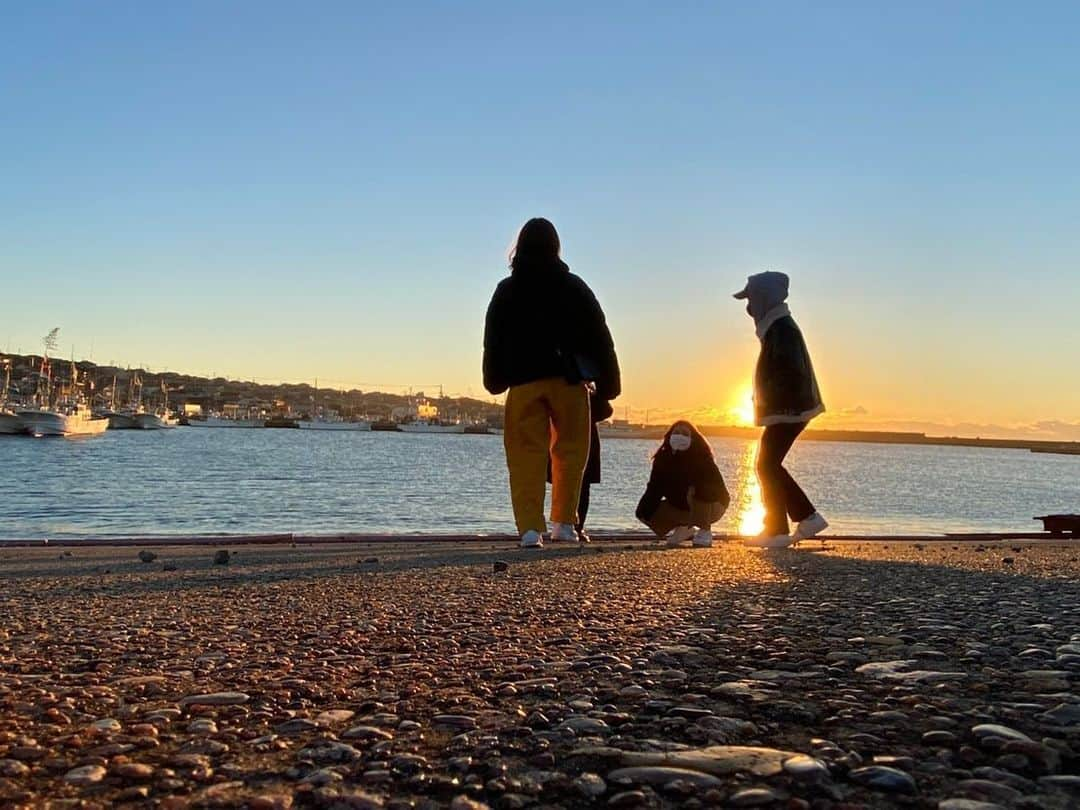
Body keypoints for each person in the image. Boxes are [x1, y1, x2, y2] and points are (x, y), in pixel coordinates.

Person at [483, 218, 620, 549]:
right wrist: (610, 383)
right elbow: (601, 337)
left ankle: (530, 530)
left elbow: (494, 340)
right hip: (569, 381)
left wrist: (493, 379)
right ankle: (564, 524)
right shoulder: (575, 287)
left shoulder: (507, 290)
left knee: (525, 456)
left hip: (524, 382)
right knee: (571, 453)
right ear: (556, 247)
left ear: (520, 247)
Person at [733, 270, 828, 548]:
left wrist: (777, 402)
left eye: (751, 299)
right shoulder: (777, 326)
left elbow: (791, 371)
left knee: (766, 464)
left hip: (790, 409)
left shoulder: (782, 328)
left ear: (764, 298)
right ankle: (801, 518)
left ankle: (780, 528)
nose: (748, 308)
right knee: (767, 464)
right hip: (789, 409)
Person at [635, 420, 730, 548]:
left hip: (713, 504)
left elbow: (713, 490)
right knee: (645, 511)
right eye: (676, 432)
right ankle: (685, 528)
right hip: (682, 505)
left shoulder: (703, 458)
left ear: (693, 438)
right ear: (670, 436)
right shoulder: (662, 459)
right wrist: (644, 510)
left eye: (685, 433)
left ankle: (705, 530)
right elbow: (654, 487)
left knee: (698, 490)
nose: (680, 436)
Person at [546, 394, 611, 543]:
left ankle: (571, 526)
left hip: (572, 441)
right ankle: (569, 526)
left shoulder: (577, 394)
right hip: (575, 441)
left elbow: (605, 410)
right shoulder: (584, 394)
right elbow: (605, 410)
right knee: (578, 488)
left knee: (574, 487)